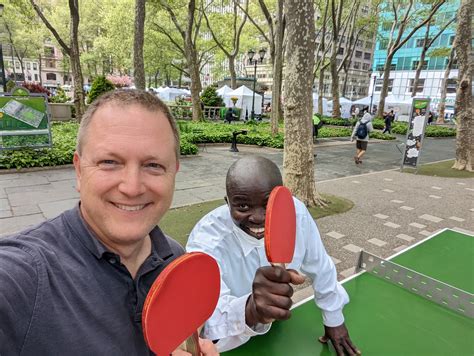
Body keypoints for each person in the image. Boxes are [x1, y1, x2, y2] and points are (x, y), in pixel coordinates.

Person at [0, 90, 218, 356]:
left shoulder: (174, 258)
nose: (132, 187)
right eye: (110, 162)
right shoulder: (25, 277)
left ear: (174, 171)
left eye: (153, 165)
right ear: (79, 171)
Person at [186, 156, 360, 355]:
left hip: (278, 325)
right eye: (243, 206)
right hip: (229, 342)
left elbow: (321, 267)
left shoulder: (297, 214)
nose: (258, 218)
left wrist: (334, 319)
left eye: (268, 204)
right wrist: (251, 310)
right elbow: (206, 316)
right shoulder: (205, 241)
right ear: (228, 203)